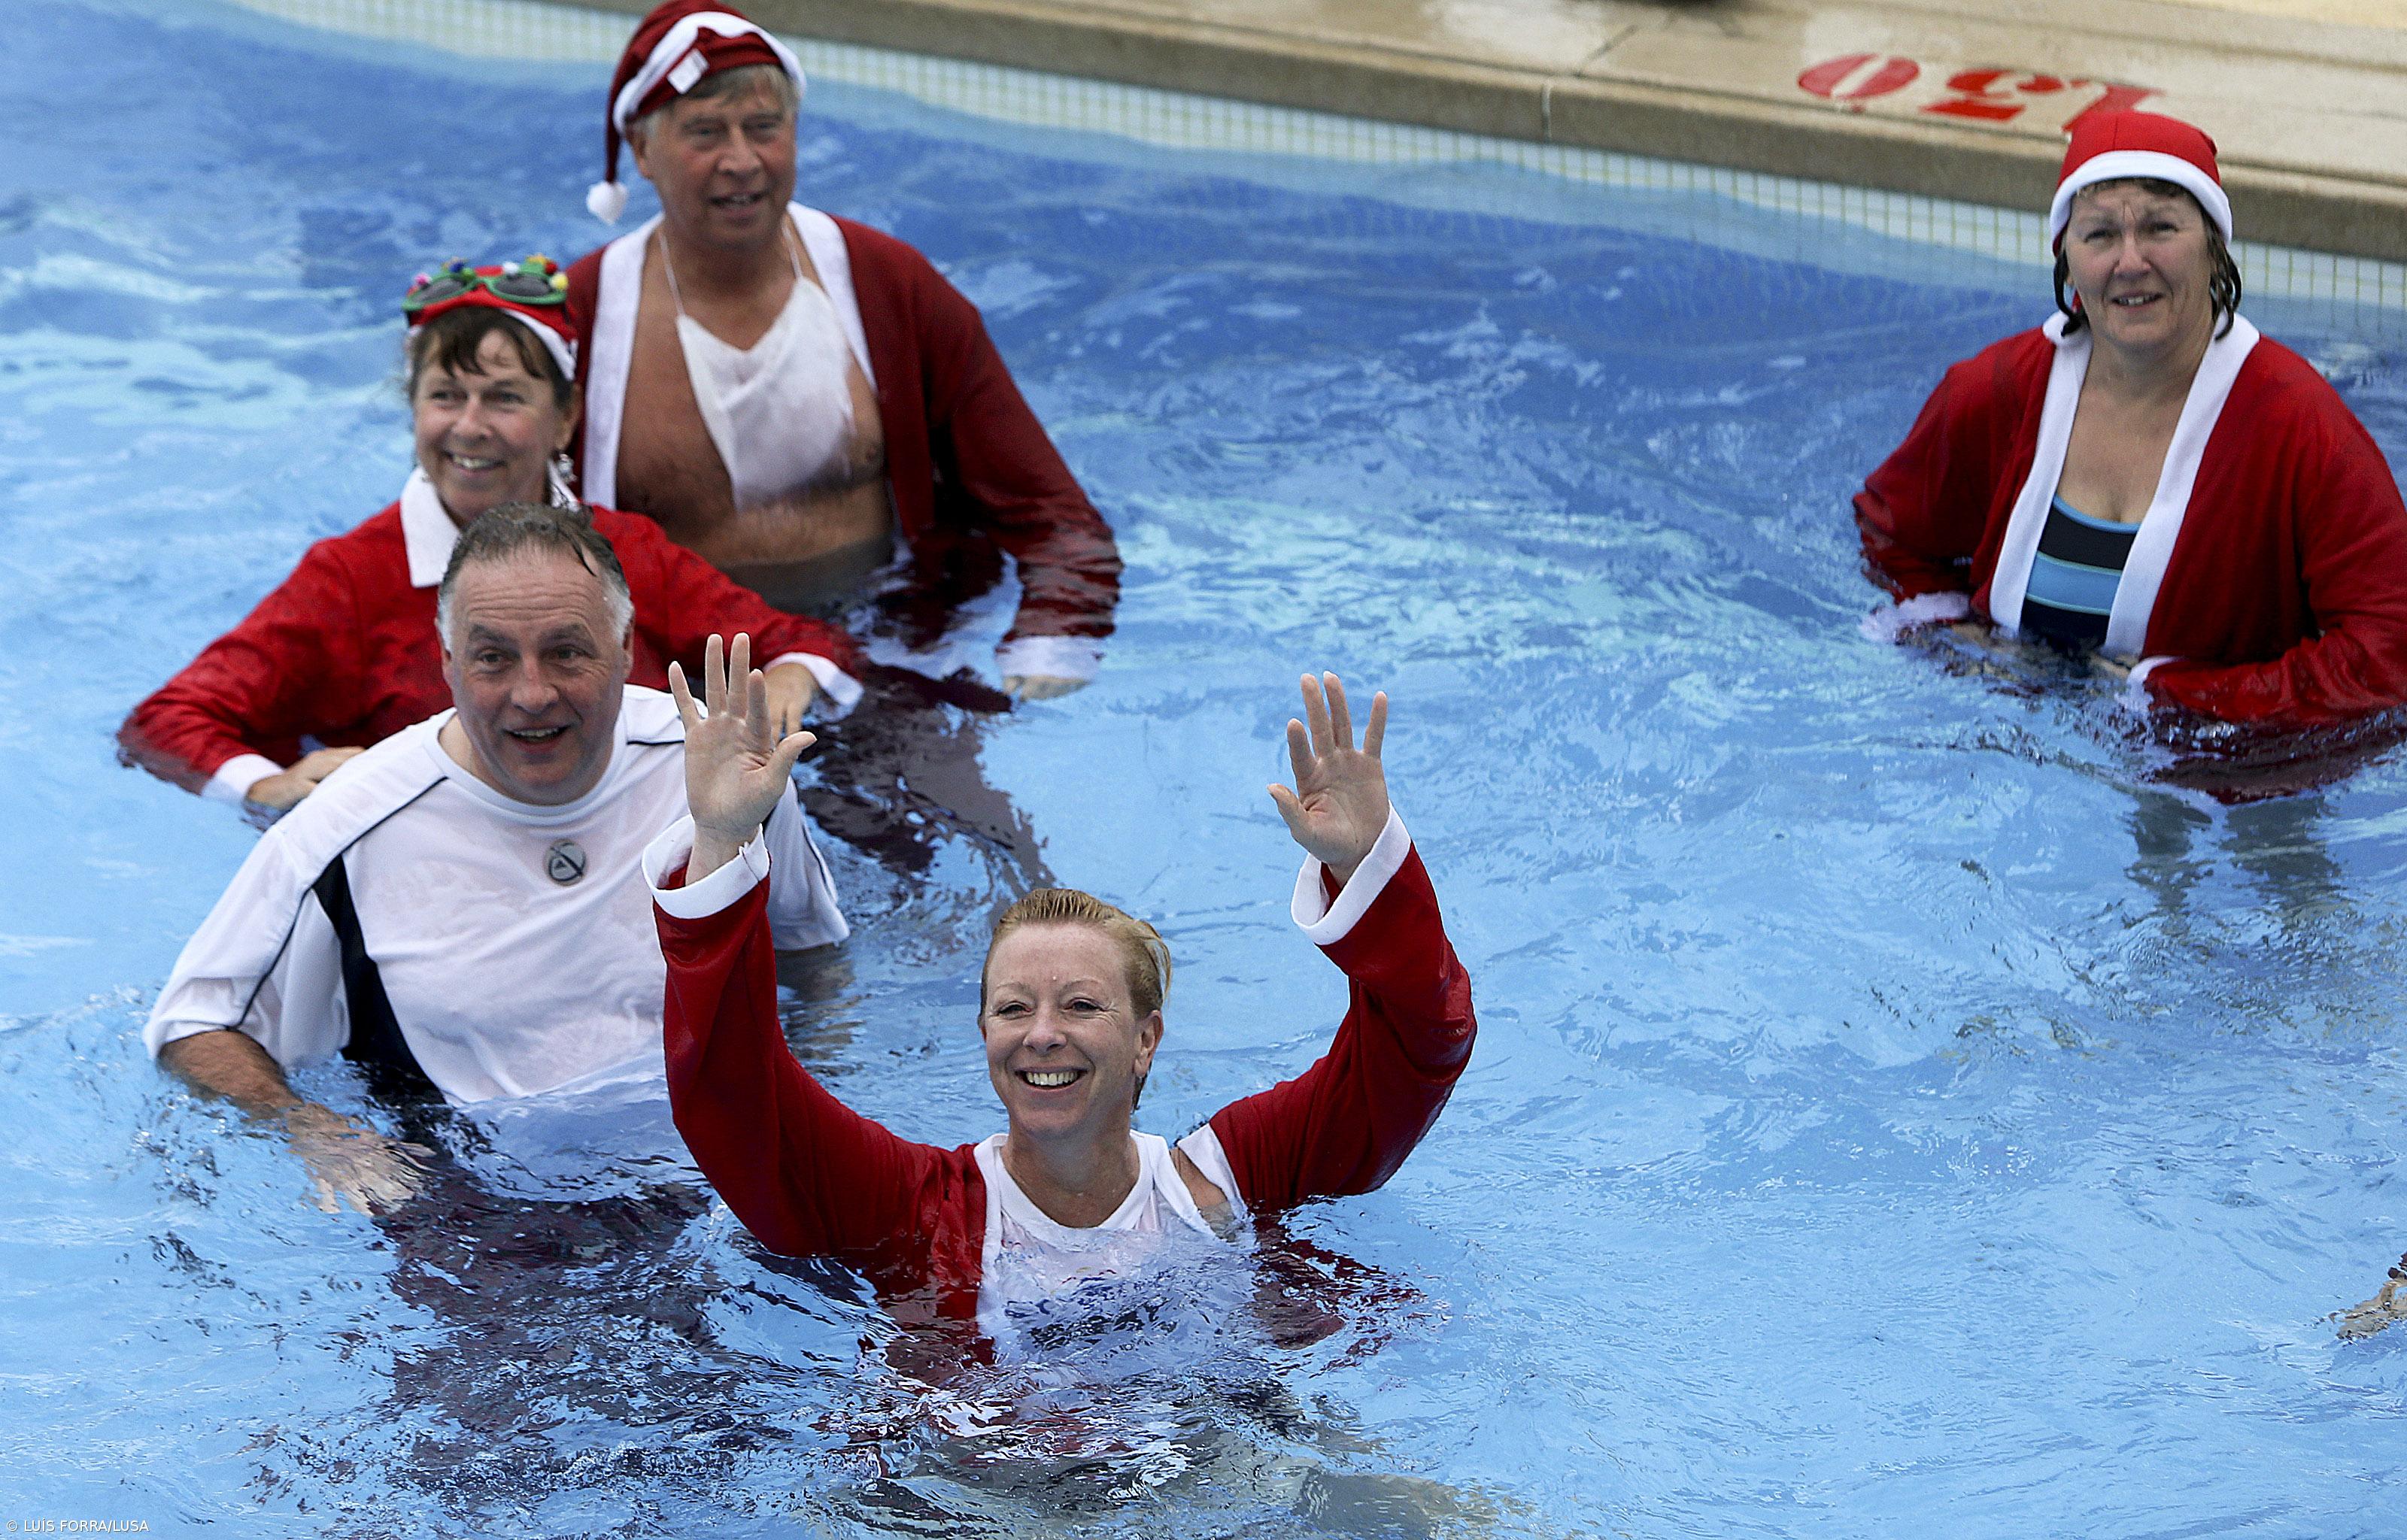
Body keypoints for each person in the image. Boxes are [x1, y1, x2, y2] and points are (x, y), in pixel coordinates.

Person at [645, 656, 1474, 1332]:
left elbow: (1418, 1045)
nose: (1042, 1033)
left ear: (1146, 1039)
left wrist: (1366, 866)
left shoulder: (1235, 1182)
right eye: (1013, 1008)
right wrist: (721, 840)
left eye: (1080, 1005)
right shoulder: (913, 1210)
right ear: (983, 1033)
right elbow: (732, 1095)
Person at [145, 506, 847, 1211]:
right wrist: (316, 1133)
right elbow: (194, 1025)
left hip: (717, 1181)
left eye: (566, 652)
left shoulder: (719, 772)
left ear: (625, 646)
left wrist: (818, 1105)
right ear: (447, 662)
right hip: (478, 1206)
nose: (532, 694)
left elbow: (814, 958)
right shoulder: (346, 829)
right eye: (493, 658)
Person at [118, 255, 860, 812]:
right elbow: (166, 721)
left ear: (565, 419)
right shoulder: (351, 578)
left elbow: (809, 646)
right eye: (445, 396)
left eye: (504, 398)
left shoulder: (627, 550)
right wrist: (269, 786)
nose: (469, 427)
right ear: (414, 411)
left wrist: (787, 680)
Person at [565, 0, 1121, 699]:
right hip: (682, 673)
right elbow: (499, 533)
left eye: (764, 128)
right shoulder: (580, 320)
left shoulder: (891, 286)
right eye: (705, 133)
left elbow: (1050, 512)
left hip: (887, 646)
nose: (742, 161)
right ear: (642, 151)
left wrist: (1054, 639)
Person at [1854, 111, 2407, 729]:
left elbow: (2390, 651)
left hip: (2223, 774)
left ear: (2215, 247)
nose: (2131, 261)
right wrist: (1948, 633)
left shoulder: (2299, 425)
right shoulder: (1997, 391)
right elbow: (1890, 532)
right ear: (2067, 259)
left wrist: (2183, 696)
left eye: (2160, 227)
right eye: (2100, 235)